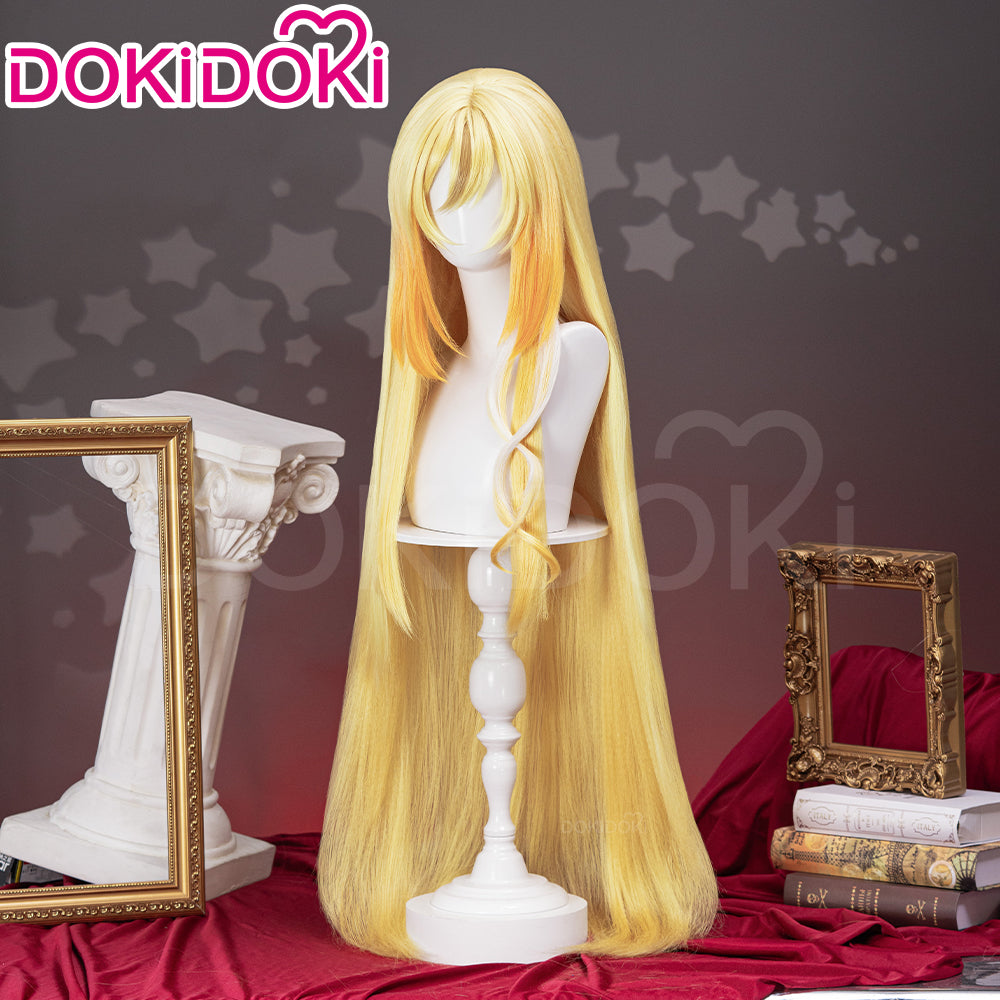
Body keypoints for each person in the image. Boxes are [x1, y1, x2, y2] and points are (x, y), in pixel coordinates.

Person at [317, 67, 718, 958]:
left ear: (541, 196)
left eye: (487, 183)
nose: (457, 212)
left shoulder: (574, 356)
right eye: (437, 185)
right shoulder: (427, 370)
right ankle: (488, 854)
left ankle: (506, 855)